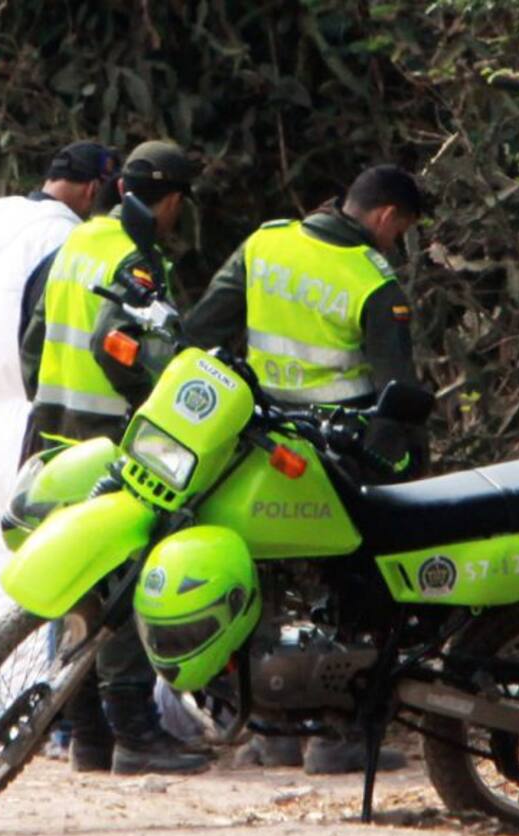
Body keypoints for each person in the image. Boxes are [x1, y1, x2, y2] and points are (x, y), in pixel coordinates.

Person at [183, 163, 428, 773]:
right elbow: (394, 389)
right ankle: (339, 738)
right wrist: (393, 464)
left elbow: (201, 330)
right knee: (358, 579)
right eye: (399, 233)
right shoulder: (373, 280)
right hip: (335, 448)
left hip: (255, 438)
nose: (394, 244)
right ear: (387, 217)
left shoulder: (265, 243)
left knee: (257, 575)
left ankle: (269, 731)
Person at [19, 140, 212, 777]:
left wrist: (47, 408)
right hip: (113, 442)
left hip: (56, 437)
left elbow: (32, 340)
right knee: (123, 587)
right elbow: (122, 347)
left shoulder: (77, 243)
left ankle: (88, 736)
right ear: (173, 201)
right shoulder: (138, 258)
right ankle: (132, 731)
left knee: (79, 586)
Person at [0, 141, 118, 642]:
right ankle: (36, 694)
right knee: (49, 559)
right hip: (36, 413)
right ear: (92, 190)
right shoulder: (61, 242)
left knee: (6, 552)